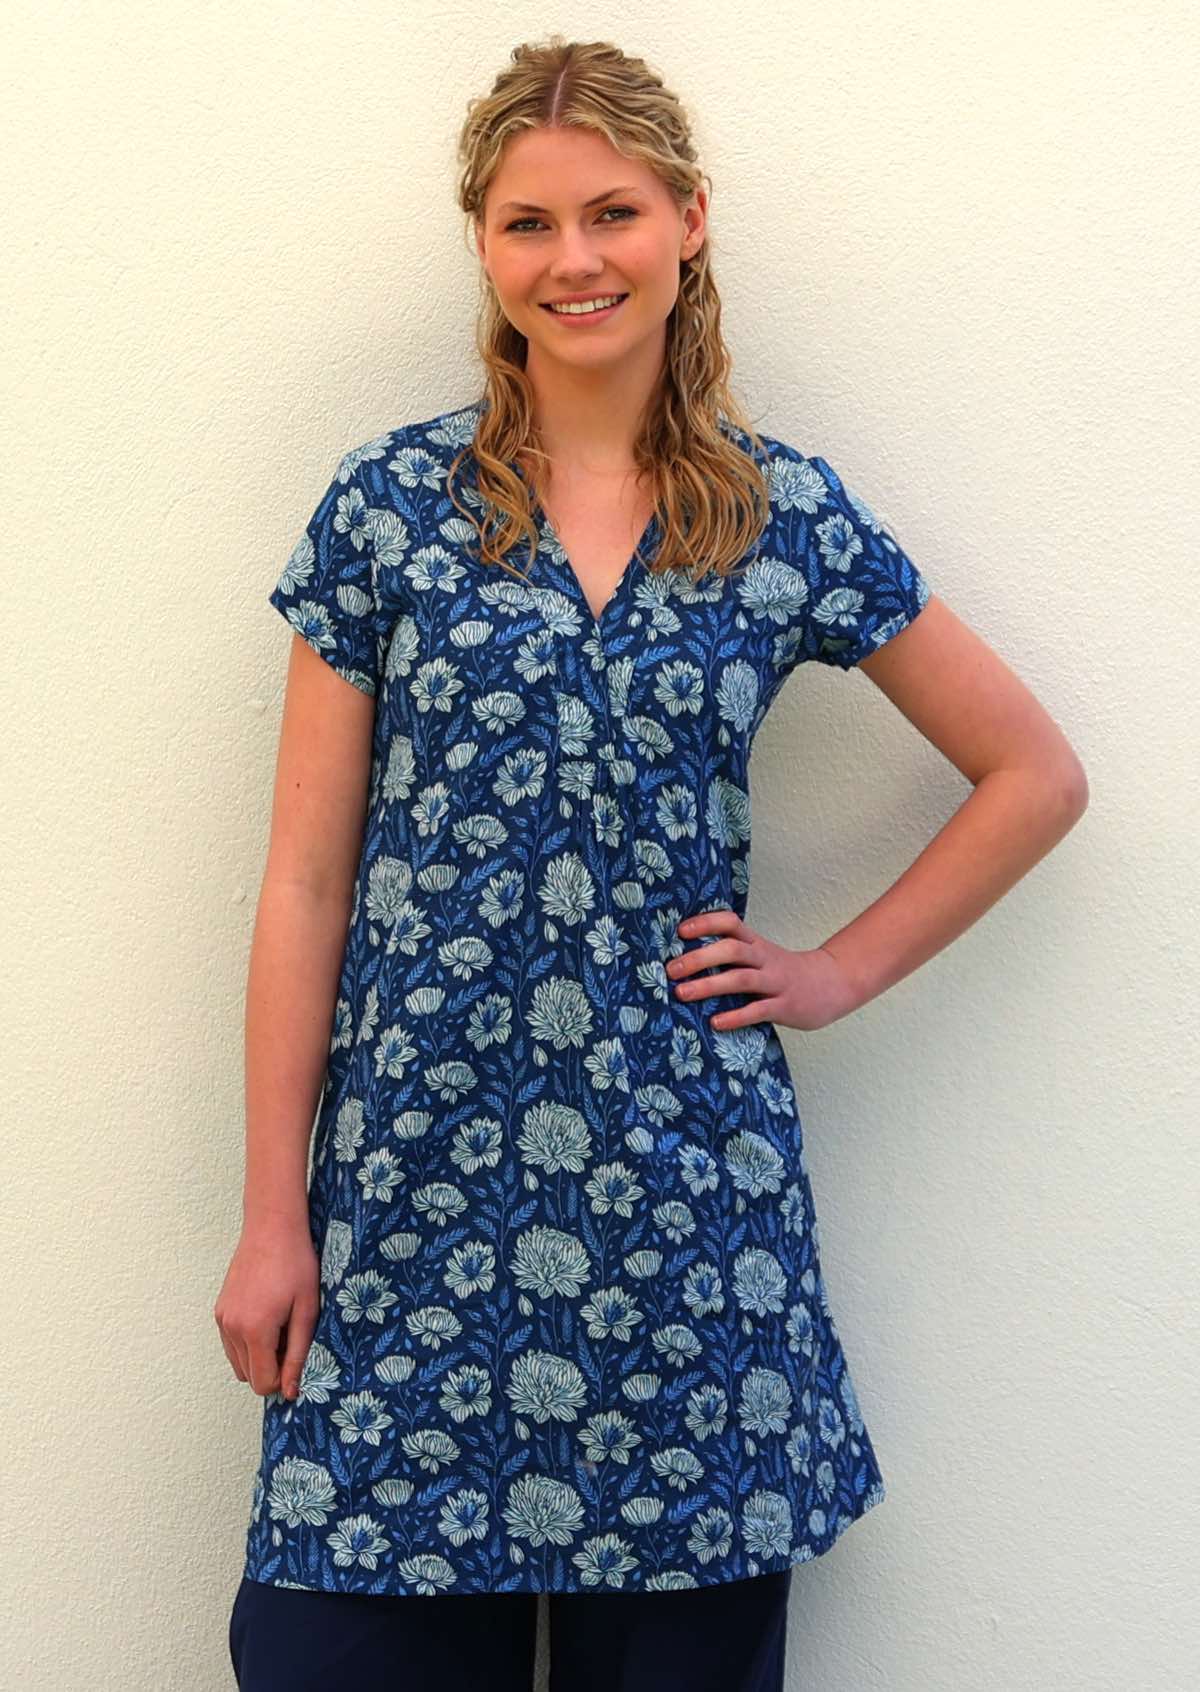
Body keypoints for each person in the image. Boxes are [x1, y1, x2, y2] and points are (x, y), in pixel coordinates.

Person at [215, 34, 1088, 1692]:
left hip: (688, 1230)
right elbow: (305, 887)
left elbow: (1032, 773)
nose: (575, 259)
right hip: (407, 1217)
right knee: (325, 1656)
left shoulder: (778, 519)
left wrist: (837, 971)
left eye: (611, 213)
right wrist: (274, 1218)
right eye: (529, 223)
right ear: (484, 245)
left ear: (687, 220)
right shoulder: (390, 512)